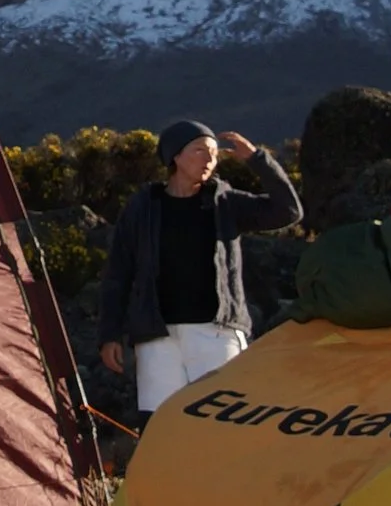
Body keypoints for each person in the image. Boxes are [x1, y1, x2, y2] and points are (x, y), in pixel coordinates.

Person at [97, 119, 300, 416]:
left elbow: (289, 211)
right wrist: (109, 334)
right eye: (200, 151)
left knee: (225, 424)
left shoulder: (226, 202)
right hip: (158, 339)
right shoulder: (143, 207)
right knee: (161, 427)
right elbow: (118, 272)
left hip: (216, 334)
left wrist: (258, 161)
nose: (210, 160)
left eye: (214, 154)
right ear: (175, 156)